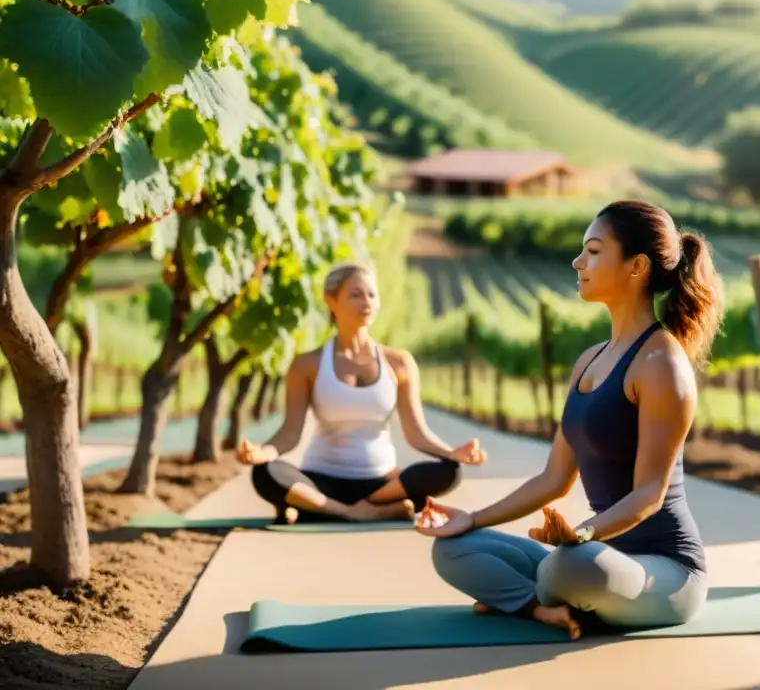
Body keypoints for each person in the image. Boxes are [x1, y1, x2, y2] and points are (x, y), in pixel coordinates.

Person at [415, 199, 724, 640]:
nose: (579, 261)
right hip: (594, 554)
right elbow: (554, 478)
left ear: (636, 266)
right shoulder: (588, 362)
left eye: (594, 251)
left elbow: (650, 495)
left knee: (567, 567)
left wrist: (582, 534)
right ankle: (542, 607)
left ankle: (526, 599)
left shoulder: (660, 364)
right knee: (454, 549)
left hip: (664, 573)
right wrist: (472, 519)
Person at [236, 262, 487, 524]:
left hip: (381, 486)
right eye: (356, 295)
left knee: (449, 472)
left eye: (371, 294)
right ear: (330, 300)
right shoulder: (307, 364)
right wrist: (261, 453)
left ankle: (327, 509)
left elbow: (417, 433)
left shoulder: (399, 363)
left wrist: (452, 453)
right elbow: (290, 433)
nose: (366, 302)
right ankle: (353, 512)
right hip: (320, 481)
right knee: (265, 473)